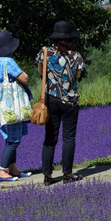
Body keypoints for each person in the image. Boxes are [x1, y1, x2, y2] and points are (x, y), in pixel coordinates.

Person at [36, 20, 86, 186]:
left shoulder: (45, 52)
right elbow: (78, 75)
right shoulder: (76, 55)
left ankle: (47, 175)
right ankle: (67, 173)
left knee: (50, 137)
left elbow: (40, 71)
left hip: (50, 98)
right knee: (69, 138)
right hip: (70, 100)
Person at [0, 30, 33, 182]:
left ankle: (12, 168)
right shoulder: (8, 61)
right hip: (13, 105)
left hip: (4, 104)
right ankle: (3, 171)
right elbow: (24, 78)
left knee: (11, 138)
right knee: (13, 141)